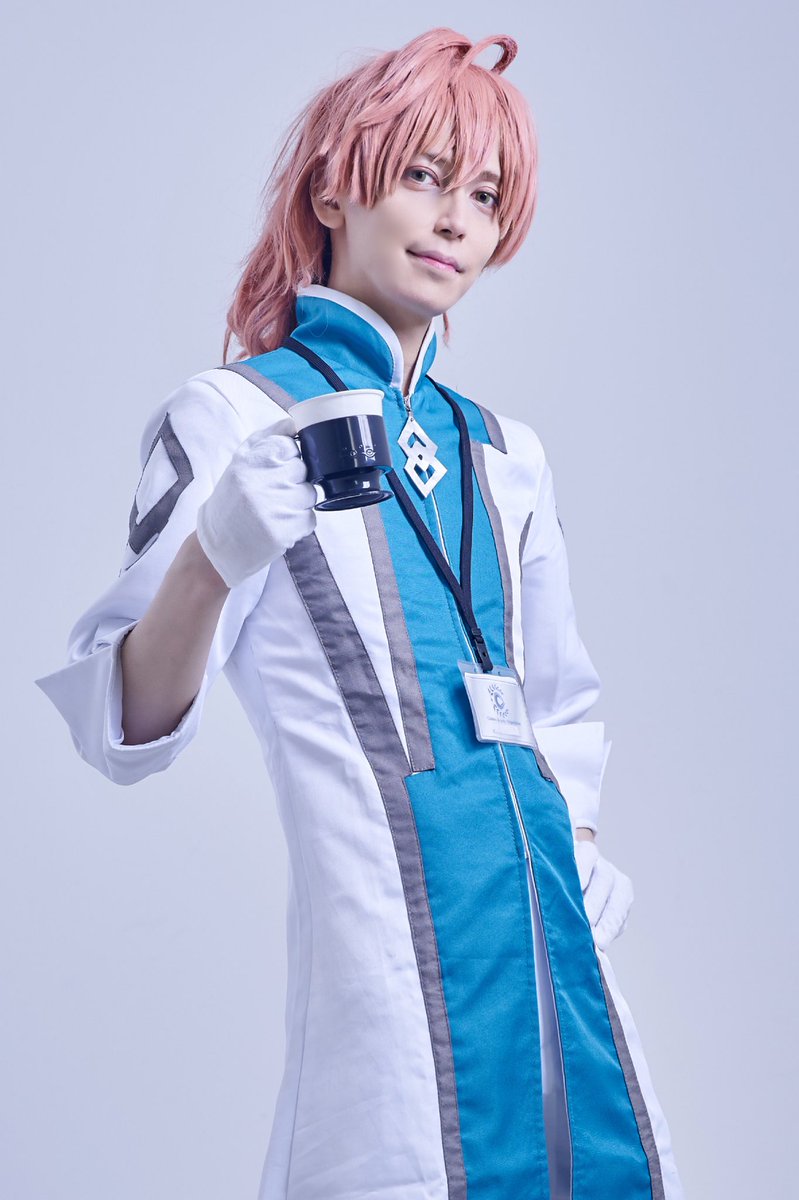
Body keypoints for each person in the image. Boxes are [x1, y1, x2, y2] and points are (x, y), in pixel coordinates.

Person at [35, 26, 685, 1200]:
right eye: (424, 177)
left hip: (556, 958)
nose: (455, 221)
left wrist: (583, 848)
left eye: (484, 196)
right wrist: (212, 559)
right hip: (390, 981)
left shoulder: (504, 453)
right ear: (335, 185)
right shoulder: (232, 416)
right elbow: (120, 723)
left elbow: (557, 707)